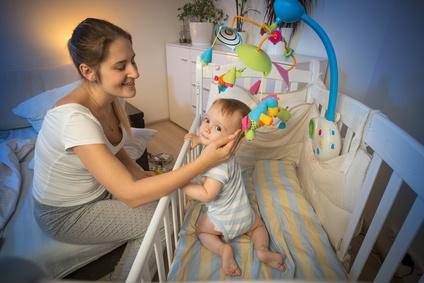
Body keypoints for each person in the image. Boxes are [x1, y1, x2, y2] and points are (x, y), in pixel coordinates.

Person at [32, 18, 241, 282]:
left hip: (97, 192)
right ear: (88, 71)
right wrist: (204, 162)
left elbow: (114, 148)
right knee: (160, 218)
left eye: (133, 60)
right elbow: (130, 195)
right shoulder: (73, 119)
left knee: (160, 192)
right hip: (66, 214)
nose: (135, 72)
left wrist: (142, 173)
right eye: (121, 66)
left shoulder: (107, 100)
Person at [182, 98, 286, 276]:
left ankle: (223, 250)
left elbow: (207, 195)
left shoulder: (218, 166)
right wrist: (199, 139)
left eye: (218, 128)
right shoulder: (226, 154)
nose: (206, 128)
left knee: (201, 231)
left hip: (223, 220)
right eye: (207, 120)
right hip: (245, 214)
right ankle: (262, 250)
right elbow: (211, 141)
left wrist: (181, 183)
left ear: (235, 139)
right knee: (258, 227)